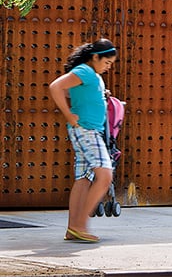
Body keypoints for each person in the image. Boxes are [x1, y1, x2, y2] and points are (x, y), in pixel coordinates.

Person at [48, 39, 119, 243]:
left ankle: (72, 228)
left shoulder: (91, 75)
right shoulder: (85, 71)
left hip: (88, 130)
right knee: (104, 176)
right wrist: (69, 115)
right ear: (95, 57)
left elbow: (77, 92)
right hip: (87, 131)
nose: (109, 67)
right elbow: (56, 87)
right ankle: (80, 225)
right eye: (107, 62)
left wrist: (100, 96)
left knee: (83, 179)